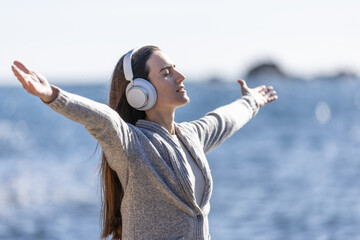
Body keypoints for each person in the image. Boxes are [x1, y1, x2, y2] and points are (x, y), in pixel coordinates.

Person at [11, 45, 277, 240]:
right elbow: (102, 119)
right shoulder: (132, 145)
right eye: (166, 72)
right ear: (140, 93)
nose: (180, 76)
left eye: (175, 69)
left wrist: (252, 101)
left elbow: (223, 120)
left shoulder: (192, 136)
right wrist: (52, 96)